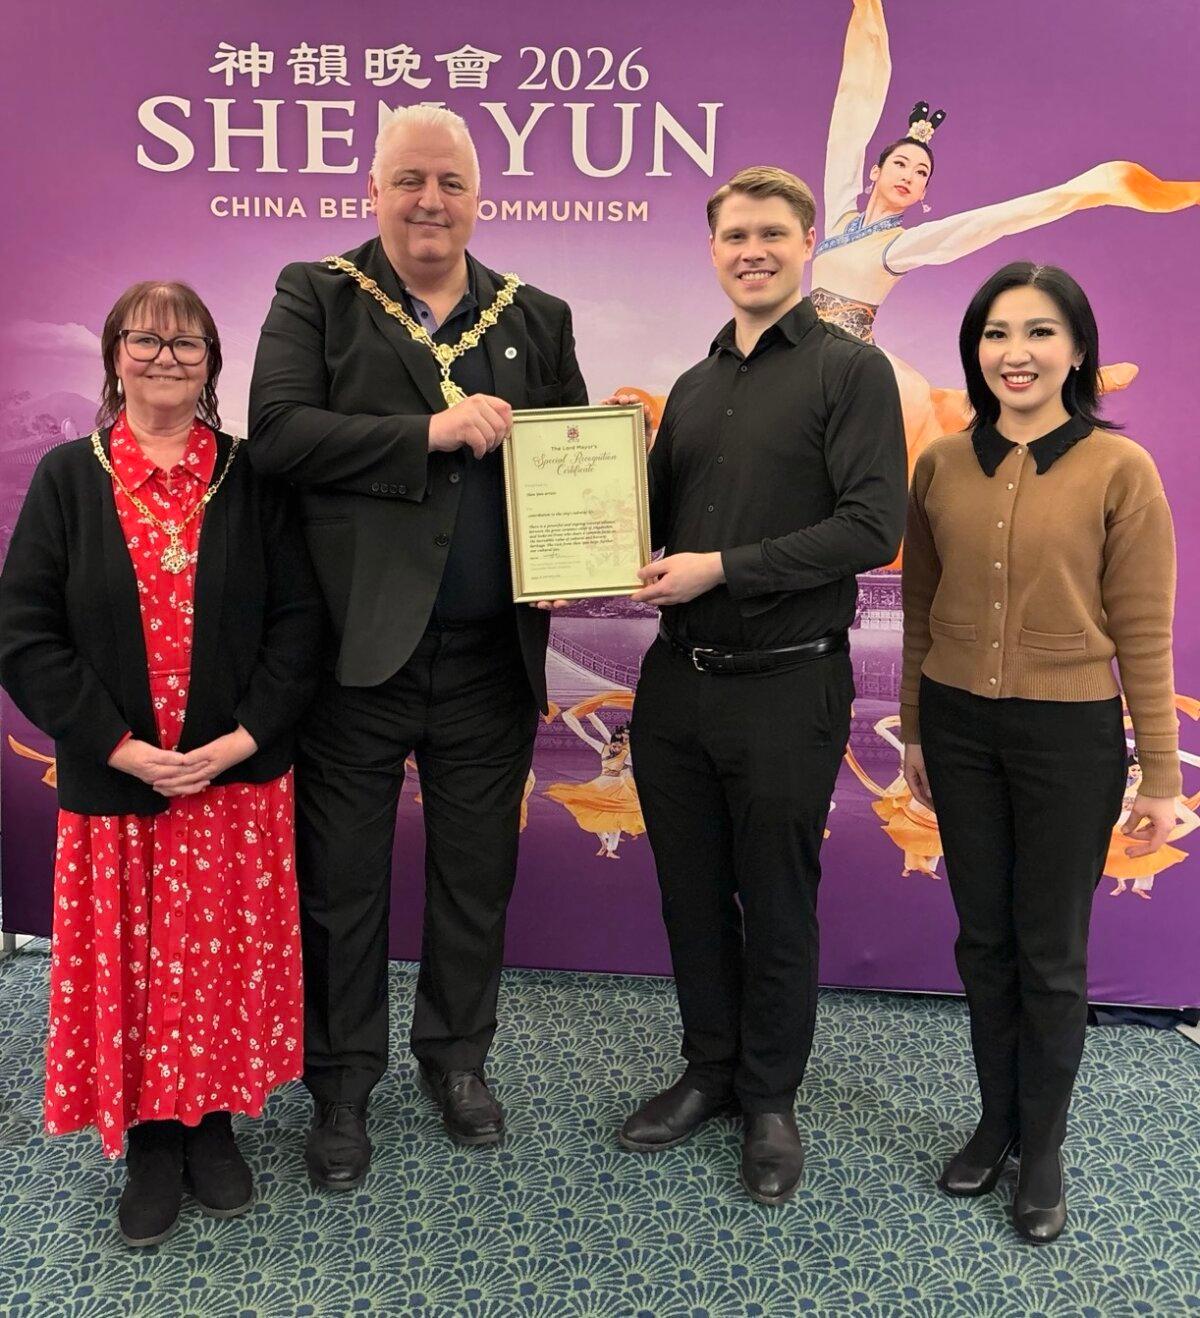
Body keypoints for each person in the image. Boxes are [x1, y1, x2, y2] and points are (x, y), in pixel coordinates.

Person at [248, 105, 587, 1186]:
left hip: (492, 659)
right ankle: (341, 1088)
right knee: (341, 884)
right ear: (374, 191)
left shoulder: (534, 314)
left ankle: (456, 1060)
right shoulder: (318, 293)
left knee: (474, 878)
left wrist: (600, 532)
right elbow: (281, 435)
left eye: (448, 181)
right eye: (409, 180)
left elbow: (570, 464)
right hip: (354, 658)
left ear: (479, 196)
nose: (429, 200)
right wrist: (426, 433)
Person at [0, 281, 322, 1247]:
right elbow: (25, 634)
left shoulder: (253, 479)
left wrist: (237, 742)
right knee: (137, 966)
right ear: (114, 354)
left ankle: (212, 1123)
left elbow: (300, 623)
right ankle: (148, 1137)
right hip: (119, 782)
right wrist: (123, 747)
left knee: (219, 958)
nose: (166, 359)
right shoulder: (67, 478)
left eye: (188, 346)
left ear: (212, 366)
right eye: (147, 340)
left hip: (234, 781)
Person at [620, 166, 906, 1204]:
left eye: (773, 233)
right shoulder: (691, 387)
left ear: (808, 241)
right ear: (713, 249)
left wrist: (723, 568)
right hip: (677, 685)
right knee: (691, 894)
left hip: (790, 684)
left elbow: (874, 526)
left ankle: (772, 1097)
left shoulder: (849, 372)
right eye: (735, 233)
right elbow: (641, 526)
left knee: (776, 900)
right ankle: (709, 1069)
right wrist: (599, 463)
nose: (753, 248)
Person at [900, 262, 1181, 1243]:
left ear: (1076, 349)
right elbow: (923, 611)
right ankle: (994, 1119)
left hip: (1070, 740)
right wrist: (918, 733)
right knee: (983, 943)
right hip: (960, 730)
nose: (1014, 353)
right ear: (974, 351)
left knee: (1049, 954)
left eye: (1038, 332)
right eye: (994, 334)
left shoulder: (1120, 469)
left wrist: (1161, 773)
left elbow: (1144, 631)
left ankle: (1044, 1145)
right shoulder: (939, 463)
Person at [816, 0, 1200, 474]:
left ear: (922, 195)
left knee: (929, 429)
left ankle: (1069, 386)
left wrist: (1084, 191)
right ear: (875, 171)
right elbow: (850, 116)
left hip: (850, 371)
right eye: (900, 164)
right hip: (803, 357)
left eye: (921, 173)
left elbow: (993, 220)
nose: (909, 175)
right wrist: (868, 22)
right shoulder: (838, 216)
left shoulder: (898, 248)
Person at [543, 697, 644, 860]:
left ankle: (610, 847)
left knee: (615, 817)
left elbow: (603, 736)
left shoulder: (625, 755)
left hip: (617, 786)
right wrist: (590, 716)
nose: (615, 742)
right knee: (594, 811)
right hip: (603, 784)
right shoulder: (606, 748)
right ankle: (605, 842)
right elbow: (591, 735)